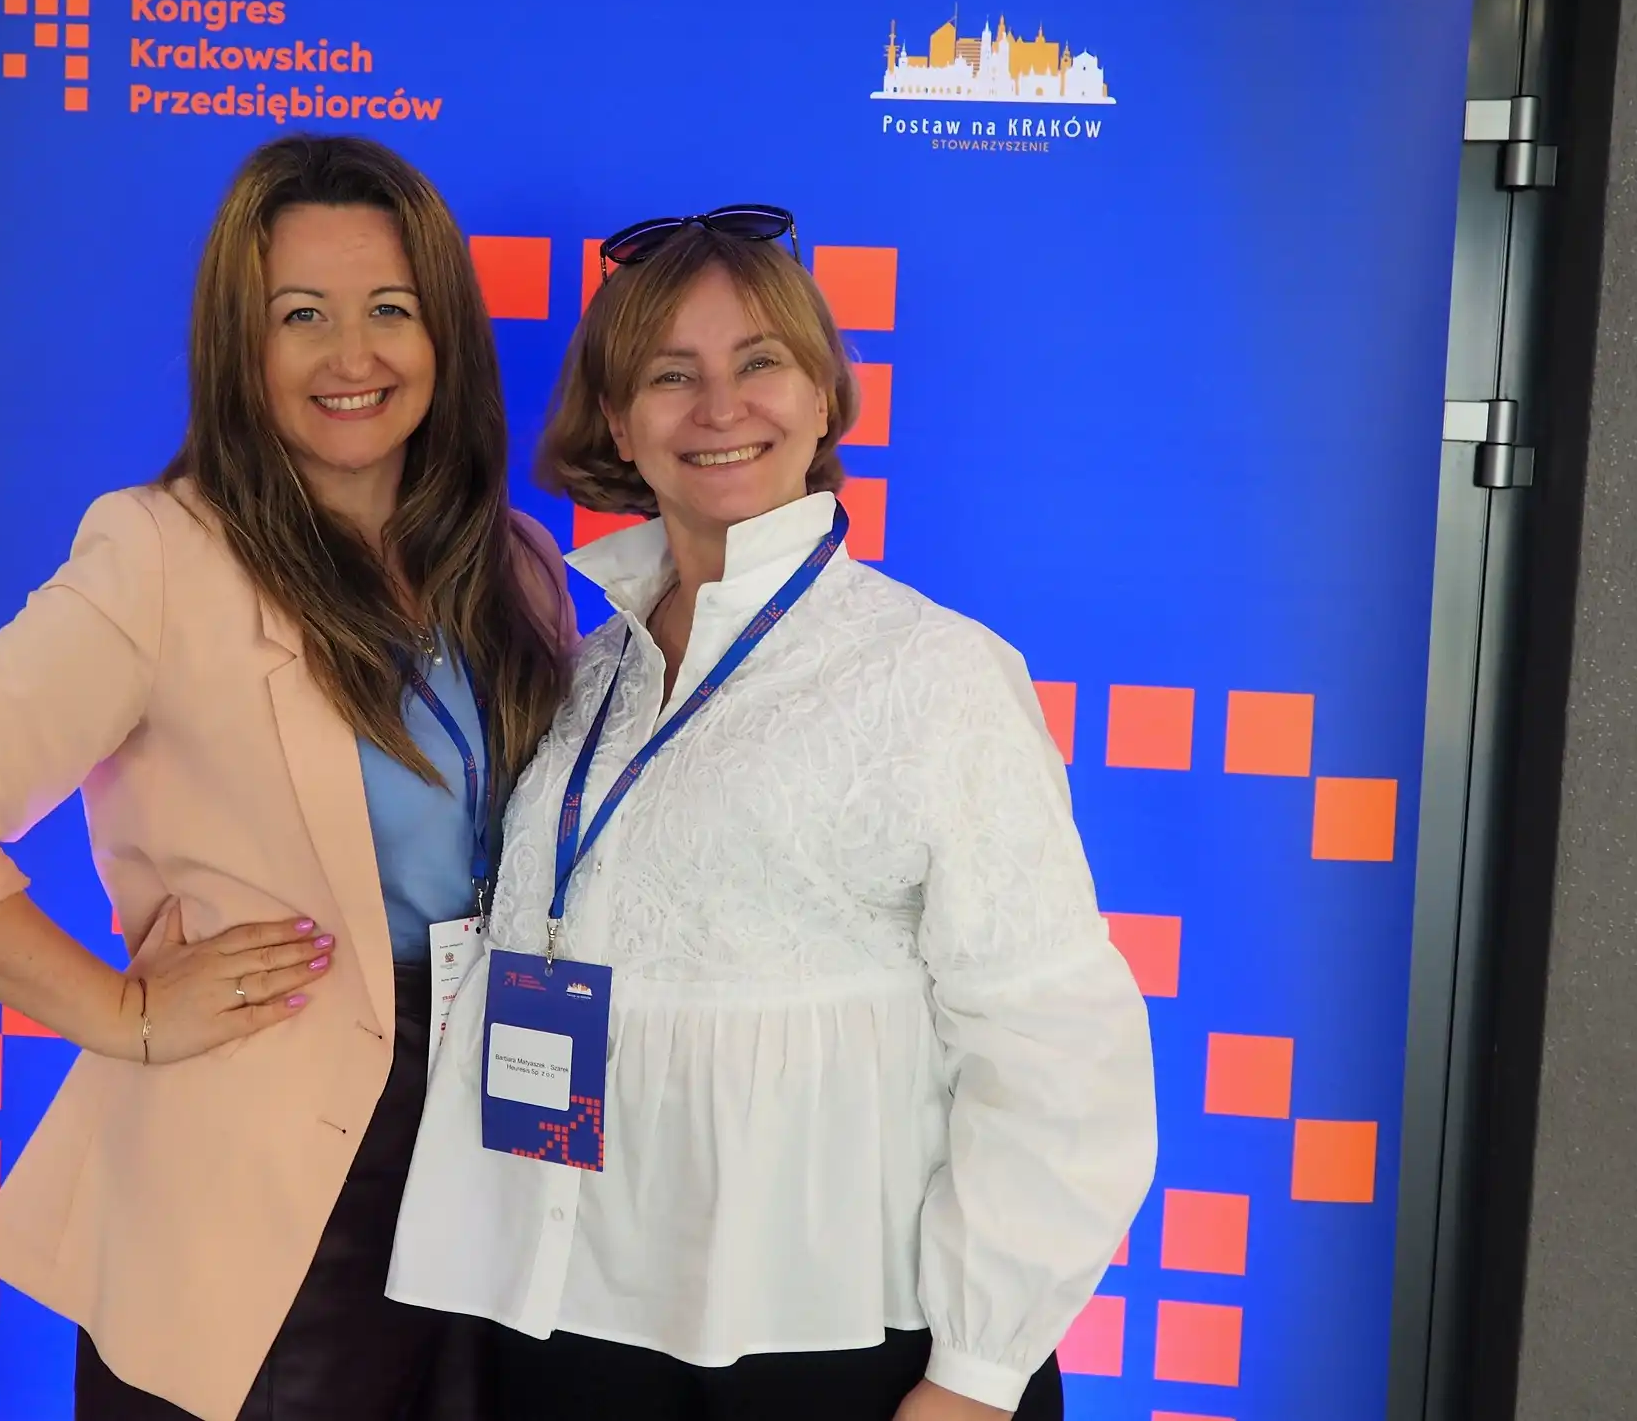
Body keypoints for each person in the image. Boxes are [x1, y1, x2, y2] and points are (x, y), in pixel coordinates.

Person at [0, 134, 574, 1421]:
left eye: (390, 309)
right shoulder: (163, 558)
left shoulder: (513, 567)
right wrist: (121, 1012)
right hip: (256, 1191)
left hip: (485, 1154)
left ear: (445, 332)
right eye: (302, 315)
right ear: (241, 346)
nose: (352, 355)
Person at [387, 206, 1157, 1421]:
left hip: (832, 1344)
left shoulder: (932, 674)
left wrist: (975, 1374)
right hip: (570, 1322)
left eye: (759, 363)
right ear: (617, 423)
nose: (719, 407)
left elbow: (1055, 1041)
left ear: (821, 400)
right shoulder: (590, 670)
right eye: (669, 375)